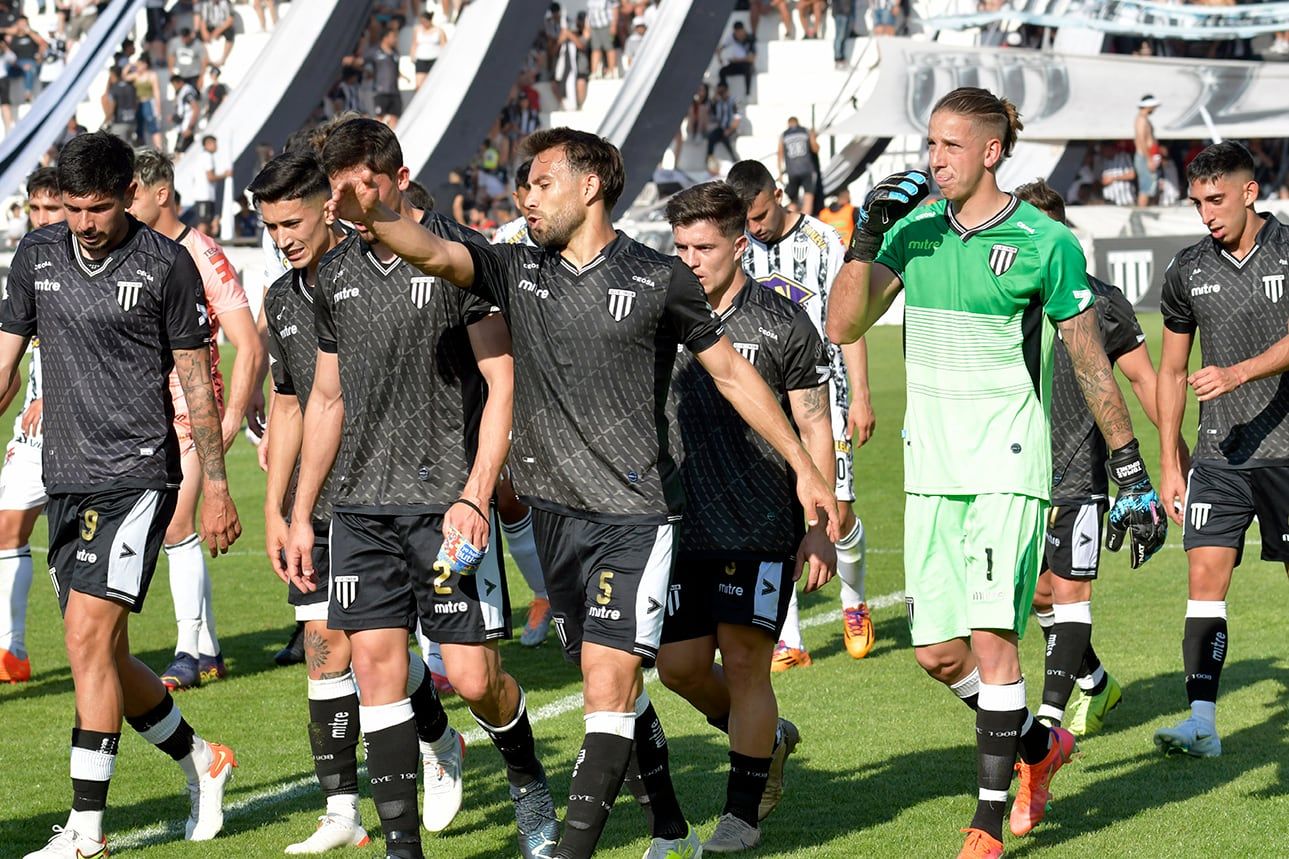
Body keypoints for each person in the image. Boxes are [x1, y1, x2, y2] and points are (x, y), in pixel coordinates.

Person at [324, 126, 840, 859]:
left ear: (589, 185)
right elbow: (433, 250)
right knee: (617, 684)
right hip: (554, 519)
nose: (524, 196)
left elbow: (730, 373)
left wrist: (803, 464)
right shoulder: (512, 269)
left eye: (538, 183)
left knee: (609, 678)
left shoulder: (661, 278)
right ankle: (666, 826)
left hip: (635, 516)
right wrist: (372, 212)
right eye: (523, 186)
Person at [825, 87, 1165, 858]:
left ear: (990, 151)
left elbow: (1088, 361)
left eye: (949, 145)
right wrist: (866, 235)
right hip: (928, 466)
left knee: (989, 638)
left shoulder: (1045, 240)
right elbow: (841, 322)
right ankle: (1034, 748)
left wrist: (1130, 469)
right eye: (929, 144)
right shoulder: (909, 231)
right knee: (934, 654)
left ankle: (986, 815)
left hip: (1006, 464)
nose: (932, 159)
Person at [284, 118, 558, 859]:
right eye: (337, 191)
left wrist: (475, 492)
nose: (347, 203)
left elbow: (502, 383)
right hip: (360, 508)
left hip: (445, 509)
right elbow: (327, 399)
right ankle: (401, 846)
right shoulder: (334, 274)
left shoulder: (459, 257)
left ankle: (527, 775)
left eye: (360, 188)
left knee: (473, 679)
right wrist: (301, 510)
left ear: (398, 180)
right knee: (374, 667)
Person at [1, 131, 241, 858]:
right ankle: (202, 758)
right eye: (70, 208)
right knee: (99, 655)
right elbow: (5, 364)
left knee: (83, 640)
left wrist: (218, 485)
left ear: (129, 194)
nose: (81, 223)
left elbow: (198, 380)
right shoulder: (35, 256)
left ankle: (87, 831)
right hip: (64, 473)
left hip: (138, 473)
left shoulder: (166, 265)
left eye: (97, 208)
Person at [250, 149, 470, 853]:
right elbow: (290, 404)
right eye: (269, 226)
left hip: (397, 488)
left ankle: (435, 735)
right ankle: (342, 810)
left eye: (292, 221)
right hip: (318, 496)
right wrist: (277, 509)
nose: (283, 238)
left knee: (371, 649)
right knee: (325, 648)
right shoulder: (282, 295)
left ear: (327, 207)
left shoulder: (382, 263)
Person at [658, 181, 835, 853]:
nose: (690, 259)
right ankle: (765, 740)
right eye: (679, 247)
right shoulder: (664, 313)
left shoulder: (781, 321)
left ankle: (741, 812)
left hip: (761, 517)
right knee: (676, 666)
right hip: (679, 519)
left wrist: (817, 521)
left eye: (702, 247)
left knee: (743, 661)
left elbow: (814, 422)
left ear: (737, 245)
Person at [1013, 178, 1169, 737]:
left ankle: (1051, 724)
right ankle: (1099, 686)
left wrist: (1177, 458)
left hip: (1080, 474)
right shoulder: (1007, 300)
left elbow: (1145, 381)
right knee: (1037, 594)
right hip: (1018, 474)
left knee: (1072, 594)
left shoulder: (1100, 302)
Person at [1155, 140, 1289, 759]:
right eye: (1197, 203)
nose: (1206, 213)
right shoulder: (1187, 269)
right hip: (1218, 457)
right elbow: (1170, 369)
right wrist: (1168, 459)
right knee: (1204, 579)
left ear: (1249, 192)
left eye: (1216, 199)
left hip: (1286, 452)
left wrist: (1236, 373)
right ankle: (1202, 723)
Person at [727, 159, 876, 670]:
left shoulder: (823, 243)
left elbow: (850, 320)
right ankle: (788, 637)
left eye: (761, 213)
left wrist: (860, 394)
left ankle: (854, 605)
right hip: (764, 401)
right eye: (745, 220)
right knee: (778, 513)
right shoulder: (737, 249)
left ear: (778, 193)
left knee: (837, 510)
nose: (755, 226)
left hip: (823, 394)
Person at [127, 148, 261, 689]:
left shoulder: (201, 252)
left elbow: (248, 345)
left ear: (161, 193)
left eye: (131, 193)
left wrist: (228, 424)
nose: (123, 204)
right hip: (142, 413)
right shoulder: (135, 253)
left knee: (179, 523)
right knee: (168, 530)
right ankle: (206, 648)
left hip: (191, 413)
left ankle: (186, 650)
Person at [0, 167, 63, 685]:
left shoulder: (84, 259)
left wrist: (54, 396)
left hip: (82, 427)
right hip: (31, 429)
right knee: (7, 529)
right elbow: (16, 356)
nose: (41, 220)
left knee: (73, 547)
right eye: (35, 210)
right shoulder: (28, 262)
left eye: (52, 209)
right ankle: (11, 652)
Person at [366, 27, 406, 129]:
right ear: (385, 38)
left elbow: (395, 70)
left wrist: (403, 76)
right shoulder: (375, 51)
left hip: (394, 91)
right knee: (379, 118)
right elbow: (363, 63)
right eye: (393, 37)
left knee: (394, 118)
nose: (395, 39)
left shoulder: (395, 53)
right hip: (381, 91)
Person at [778, 117, 819, 216]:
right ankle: (805, 221)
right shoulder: (805, 131)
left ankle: (792, 223)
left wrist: (780, 173)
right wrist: (813, 137)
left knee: (793, 201)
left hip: (792, 172)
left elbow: (780, 154)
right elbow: (815, 149)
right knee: (808, 198)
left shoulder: (784, 135)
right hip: (807, 170)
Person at [717, 21, 756, 99]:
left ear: (743, 30)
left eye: (740, 31)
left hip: (745, 65)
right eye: (737, 32)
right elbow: (719, 49)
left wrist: (738, 60)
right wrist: (720, 59)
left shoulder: (750, 39)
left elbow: (752, 59)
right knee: (722, 71)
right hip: (734, 64)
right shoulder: (731, 38)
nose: (739, 34)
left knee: (748, 69)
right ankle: (724, 92)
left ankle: (748, 93)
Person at [1134, 95, 1160, 207]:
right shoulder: (1141, 120)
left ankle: (1145, 212)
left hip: (1148, 156)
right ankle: (1141, 212)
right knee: (1145, 188)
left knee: (1150, 188)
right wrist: (1149, 159)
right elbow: (1141, 139)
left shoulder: (1144, 119)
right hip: (1144, 157)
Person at [411, 10, 446, 88]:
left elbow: (443, 45)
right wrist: (412, 55)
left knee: (434, 84)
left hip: (434, 59)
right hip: (421, 59)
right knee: (419, 85)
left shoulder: (439, 31)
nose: (423, 24)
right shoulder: (417, 29)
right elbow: (414, 43)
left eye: (425, 21)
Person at [707, 82, 741, 162]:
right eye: (719, 92)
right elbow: (712, 115)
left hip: (732, 129)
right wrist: (714, 99)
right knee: (711, 138)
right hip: (721, 129)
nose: (721, 94)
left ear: (727, 91)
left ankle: (734, 159)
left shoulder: (734, 102)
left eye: (722, 92)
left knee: (726, 138)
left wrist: (730, 130)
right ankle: (709, 161)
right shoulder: (718, 103)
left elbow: (737, 118)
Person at [196, 0, 235, 66]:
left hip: (222, 26)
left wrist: (215, 33)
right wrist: (205, 33)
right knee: (198, 35)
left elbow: (229, 20)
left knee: (230, 32)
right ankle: (207, 59)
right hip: (211, 26)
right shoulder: (205, 3)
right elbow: (203, 20)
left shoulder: (226, 3)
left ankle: (223, 58)